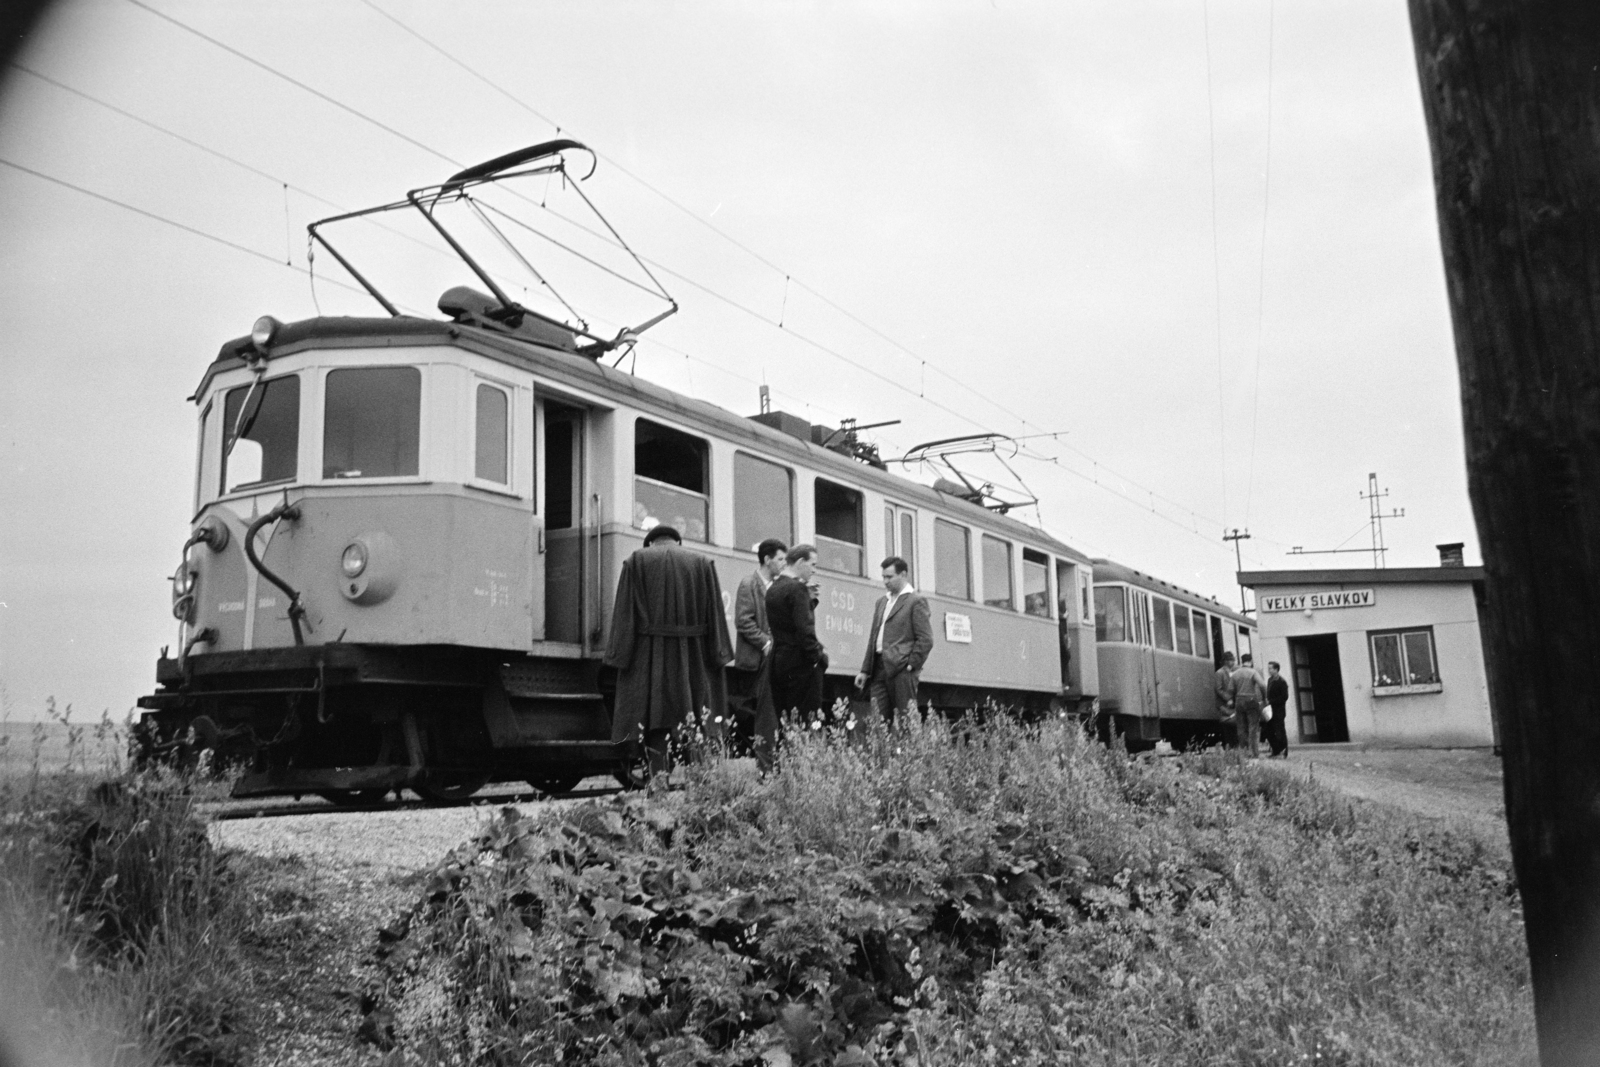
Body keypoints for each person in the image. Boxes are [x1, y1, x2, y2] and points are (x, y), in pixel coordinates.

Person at [603, 525, 733, 778]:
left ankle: (657, 785)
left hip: (652, 653)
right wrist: (719, 654)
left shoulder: (636, 561)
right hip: (693, 653)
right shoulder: (703, 562)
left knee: (656, 720)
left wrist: (619, 655)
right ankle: (702, 785)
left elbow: (624, 614)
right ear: (677, 541)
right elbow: (715, 613)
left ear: (650, 543)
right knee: (696, 718)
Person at [854, 556, 933, 723]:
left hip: (902, 669)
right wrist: (865, 670)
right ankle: (884, 750)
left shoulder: (916, 601)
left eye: (889, 577)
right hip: (879, 669)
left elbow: (925, 639)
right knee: (878, 721)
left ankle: (910, 750)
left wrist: (911, 665)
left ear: (903, 574)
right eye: (883, 577)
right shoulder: (882, 602)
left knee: (907, 720)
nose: (885, 581)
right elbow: (873, 637)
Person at [731, 537, 786, 768]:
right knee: (766, 716)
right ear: (767, 559)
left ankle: (773, 762)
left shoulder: (778, 586)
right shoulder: (749, 584)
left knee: (773, 714)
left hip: (775, 658)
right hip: (761, 659)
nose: (784, 564)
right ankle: (766, 765)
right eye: (781, 559)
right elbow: (743, 621)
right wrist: (766, 643)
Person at [766, 544, 828, 717]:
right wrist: (817, 657)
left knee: (784, 719)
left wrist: (809, 600)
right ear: (800, 562)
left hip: (779, 661)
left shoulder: (773, 588)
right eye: (813, 564)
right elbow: (804, 628)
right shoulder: (797, 589)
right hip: (800, 664)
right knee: (806, 720)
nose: (814, 570)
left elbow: (786, 619)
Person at [1231, 653, 1268, 758]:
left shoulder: (1235, 673)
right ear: (1251, 661)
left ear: (1242, 661)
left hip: (1239, 700)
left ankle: (1244, 752)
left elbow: (1231, 689)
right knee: (1253, 727)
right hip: (1251, 700)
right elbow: (1262, 685)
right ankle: (1254, 752)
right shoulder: (1253, 672)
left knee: (1241, 728)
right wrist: (1264, 697)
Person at [1265, 660, 1290, 758]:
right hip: (1270, 710)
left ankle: (1283, 750)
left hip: (1279, 710)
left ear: (1276, 669)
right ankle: (1276, 750)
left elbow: (1284, 697)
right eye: (1269, 669)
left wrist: (1271, 701)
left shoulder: (1281, 682)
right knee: (1268, 730)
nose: (1269, 670)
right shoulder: (1270, 680)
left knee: (1279, 731)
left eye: (1271, 668)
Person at [1214, 651, 1237, 746]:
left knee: (1234, 726)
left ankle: (1234, 747)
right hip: (1224, 704)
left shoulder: (1234, 672)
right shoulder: (1219, 673)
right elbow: (1218, 689)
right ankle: (1229, 747)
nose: (1234, 662)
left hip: (1233, 704)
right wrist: (1228, 699)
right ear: (1226, 661)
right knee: (1227, 727)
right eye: (1232, 660)